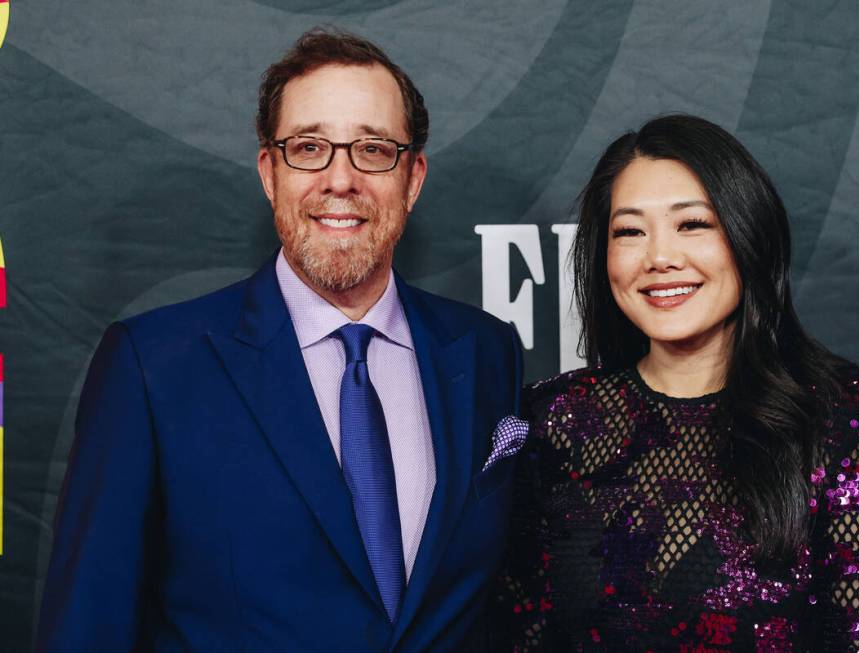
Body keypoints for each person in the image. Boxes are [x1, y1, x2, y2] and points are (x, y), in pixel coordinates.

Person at [37, 27, 524, 652]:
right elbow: (88, 626)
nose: (340, 179)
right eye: (310, 147)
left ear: (413, 178)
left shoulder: (486, 352)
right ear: (270, 172)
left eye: (373, 149)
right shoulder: (154, 366)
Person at [491, 115, 859, 652]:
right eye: (629, 231)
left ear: (748, 235)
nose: (660, 258)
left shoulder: (849, 417)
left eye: (692, 224)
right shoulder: (556, 419)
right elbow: (518, 633)